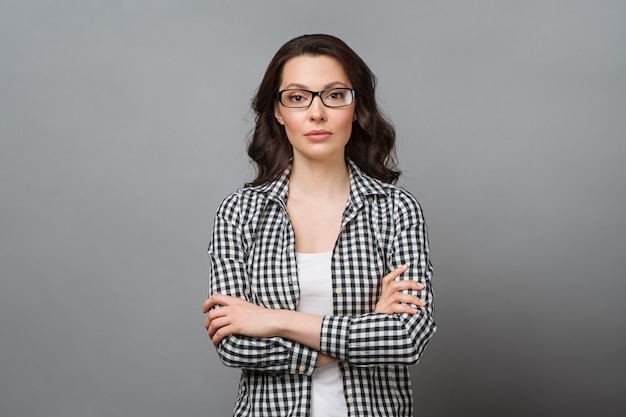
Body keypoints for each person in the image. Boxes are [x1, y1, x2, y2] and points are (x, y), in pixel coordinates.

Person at [203, 34, 436, 417]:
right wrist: (371, 329)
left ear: (356, 106)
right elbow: (235, 345)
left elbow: (408, 338)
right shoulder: (238, 214)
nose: (316, 113)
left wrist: (274, 320)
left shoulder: (396, 210)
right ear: (278, 112)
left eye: (334, 95)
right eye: (297, 98)